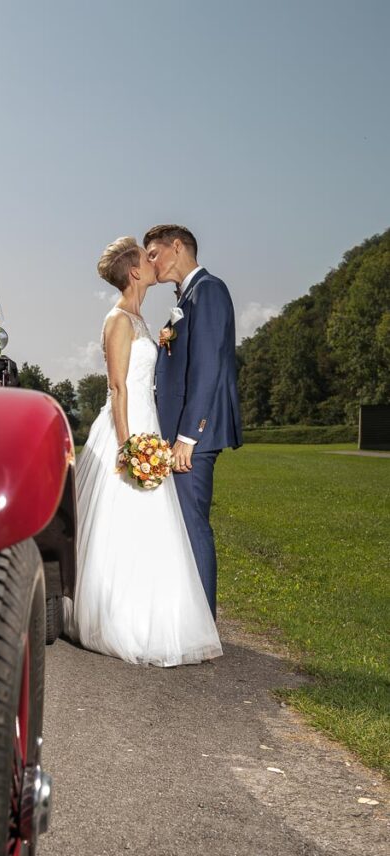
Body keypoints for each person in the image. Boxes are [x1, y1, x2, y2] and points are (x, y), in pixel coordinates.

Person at [64, 237, 221, 667]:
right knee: (125, 521)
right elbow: (117, 388)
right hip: (129, 429)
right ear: (134, 272)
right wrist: (128, 444)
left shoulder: (142, 319)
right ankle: (121, 617)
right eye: (145, 258)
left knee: (157, 526)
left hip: (149, 424)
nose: (153, 263)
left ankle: (162, 614)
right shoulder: (117, 320)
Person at [144, 225, 242, 618]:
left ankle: (202, 624)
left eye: (153, 253)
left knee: (192, 524)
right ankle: (189, 617)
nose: (150, 263)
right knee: (182, 525)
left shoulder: (209, 291)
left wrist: (188, 436)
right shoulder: (189, 295)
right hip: (180, 432)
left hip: (194, 434)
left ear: (178, 246)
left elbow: (206, 368)